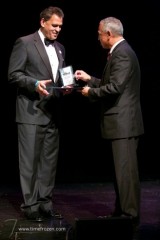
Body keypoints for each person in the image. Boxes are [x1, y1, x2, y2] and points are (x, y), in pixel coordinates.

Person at [74, 17, 144, 225]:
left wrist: (91, 93)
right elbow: (112, 82)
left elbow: (115, 88)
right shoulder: (121, 52)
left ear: (108, 35)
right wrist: (90, 79)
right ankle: (121, 214)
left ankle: (129, 217)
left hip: (124, 124)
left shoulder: (122, 54)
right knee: (121, 172)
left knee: (126, 173)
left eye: (99, 34)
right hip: (122, 124)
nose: (98, 38)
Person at [8, 6, 68, 221]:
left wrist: (66, 85)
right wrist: (34, 84)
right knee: (30, 162)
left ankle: (45, 204)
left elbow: (58, 77)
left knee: (48, 163)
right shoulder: (24, 43)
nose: (57, 29)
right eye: (54, 25)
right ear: (42, 22)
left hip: (52, 113)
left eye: (60, 26)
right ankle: (31, 206)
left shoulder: (60, 47)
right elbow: (14, 74)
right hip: (30, 113)